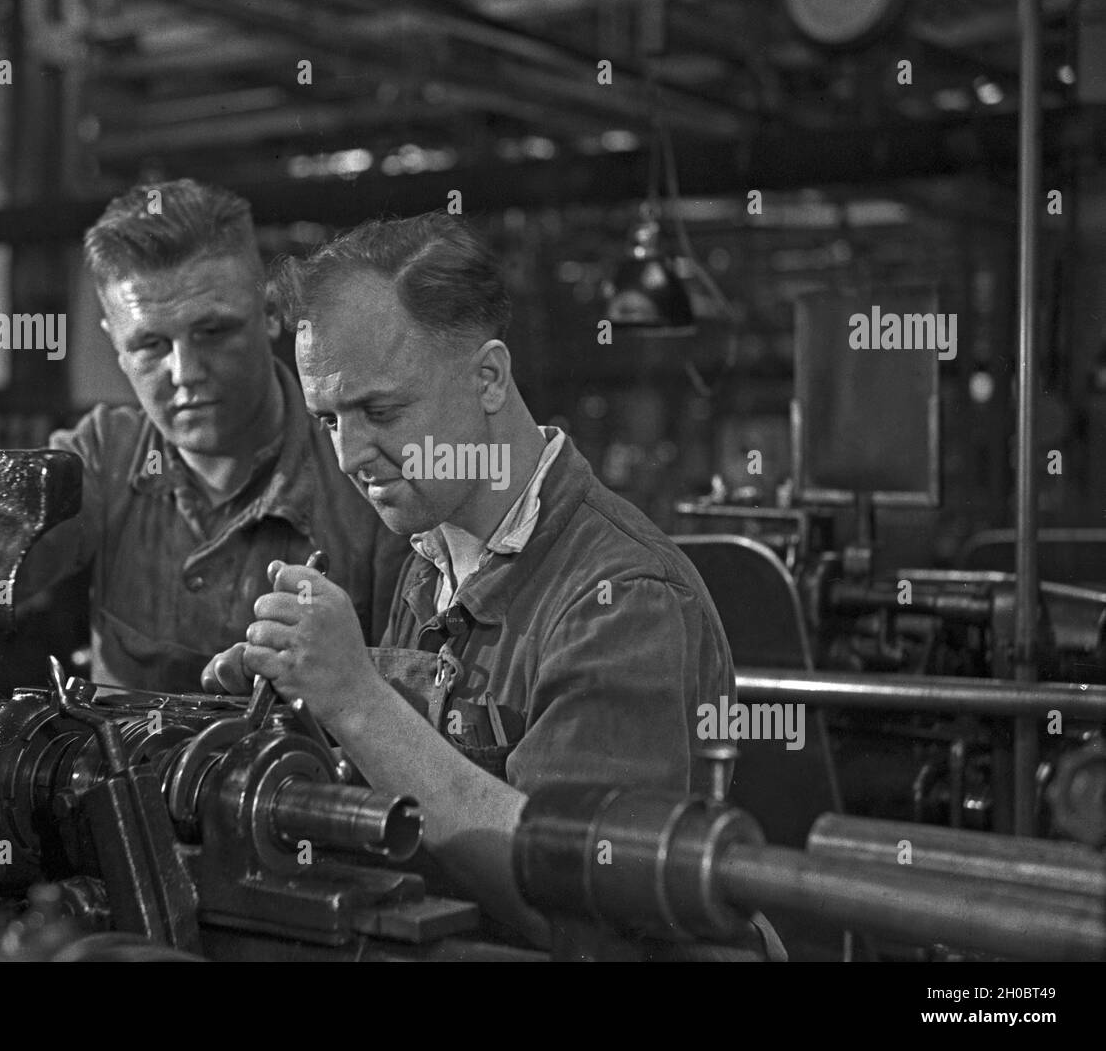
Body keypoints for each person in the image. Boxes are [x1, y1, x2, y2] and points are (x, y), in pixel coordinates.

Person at [203, 212, 780, 956]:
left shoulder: (624, 600)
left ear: (488, 377)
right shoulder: (432, 557)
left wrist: (357, 698)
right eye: (328, 419)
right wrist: (303, 709)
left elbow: (580, 906)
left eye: (380, 410)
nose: (350, 455)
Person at [18, 180, 408, 693]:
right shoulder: (101, 456)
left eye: (213, 332)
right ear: (116, 344)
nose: (186, 372)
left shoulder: (367, 475)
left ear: (271, 314)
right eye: (152, 344)